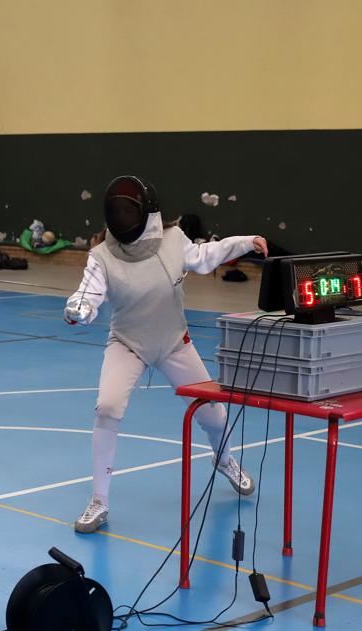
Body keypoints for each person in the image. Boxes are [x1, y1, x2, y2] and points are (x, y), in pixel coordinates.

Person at [64, 176, 268, 533]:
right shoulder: (101, 256)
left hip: (174, 342)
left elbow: (204, 257)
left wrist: (245, 242)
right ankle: (99, 501)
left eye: (129, 210)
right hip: (127, 343)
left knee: (215, 416)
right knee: (108, 408)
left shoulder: (173, 240)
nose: (122, 217)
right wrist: (79, 308)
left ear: (147, 211)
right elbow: (88, 294)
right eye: (117, 211)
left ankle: (224, 460)